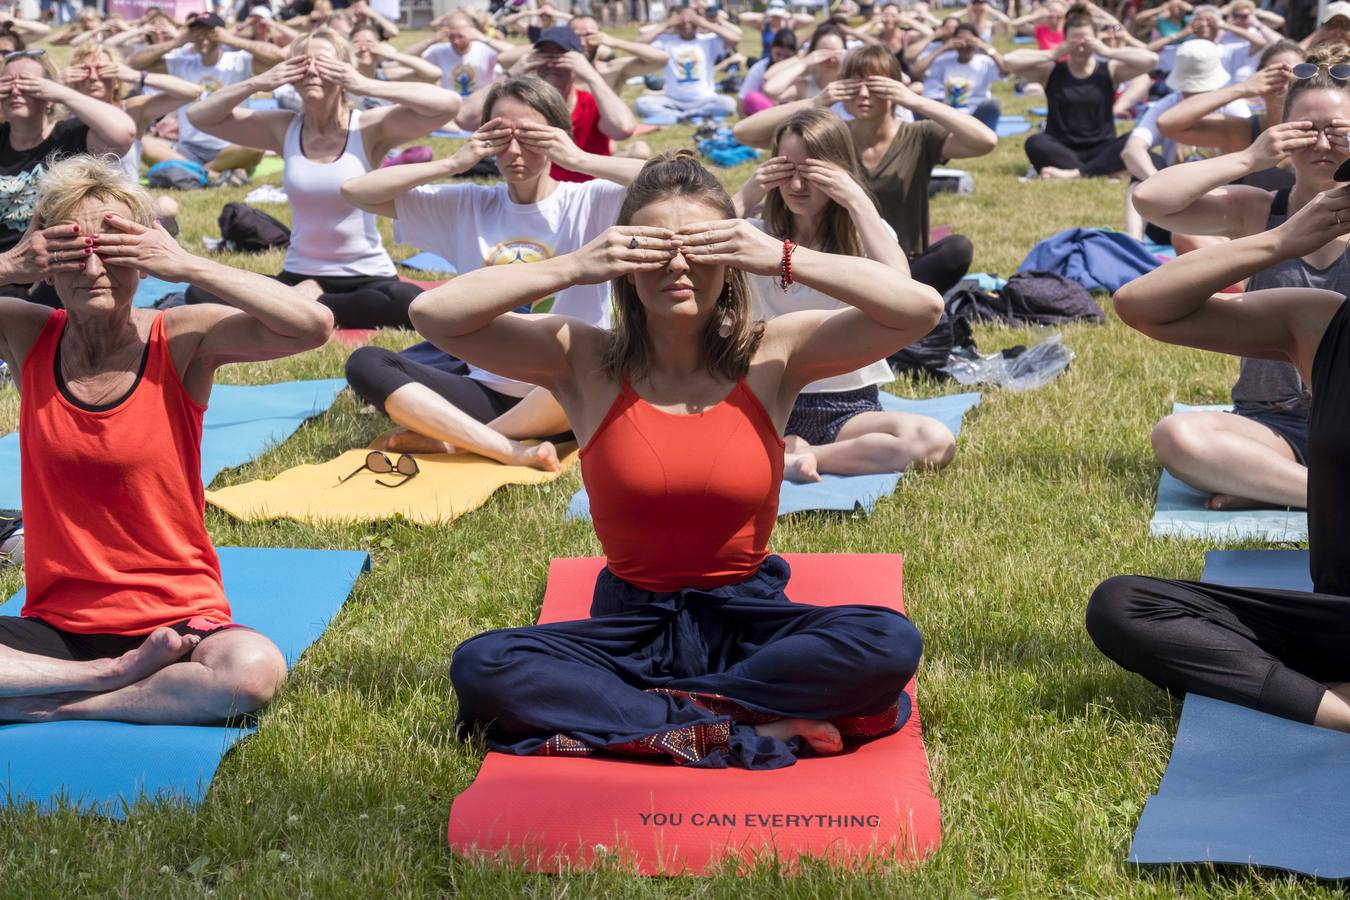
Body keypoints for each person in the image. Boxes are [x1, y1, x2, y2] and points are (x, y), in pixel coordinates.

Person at [427, 149, 940, 768]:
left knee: (887, 640)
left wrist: (777, 255)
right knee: (484, 665)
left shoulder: (774, 353)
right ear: (624, 260)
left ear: (730, 258)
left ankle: (651, 715)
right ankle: (735, 721)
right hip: (630, 628)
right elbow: (434, 315)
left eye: (699, 247)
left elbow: (920, 309)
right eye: (652, 247)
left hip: (750, 622)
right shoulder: (582, 358)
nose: (677, 264)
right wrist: (576, 264)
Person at [0, 154, 334, 724]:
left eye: (113, 249)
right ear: (47, 265)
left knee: (251, 670)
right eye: (72, 251)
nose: (93, 267)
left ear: (144, 260)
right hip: (57, 626)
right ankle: (103, 681)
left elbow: (311, 325)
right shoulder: (26, 332)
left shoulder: (181, 338)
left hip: (174, 623)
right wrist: (7, 262)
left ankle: (56, 704)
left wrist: (189, 264)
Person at [1087, 182, 1350, 733]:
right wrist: (1278, 242)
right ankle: (1337, 712)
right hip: (1338, 619)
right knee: (1124, 604)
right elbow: (1142, 306)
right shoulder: (1323, 323)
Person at [341, 75, 645, 469]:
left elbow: (680, 182)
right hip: (485, 389)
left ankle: (461, 440)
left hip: (569, 387)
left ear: (557, 135)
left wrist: (579, 159)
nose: (515, 150)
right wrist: (455, 162)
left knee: (608, 358)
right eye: (501, 136)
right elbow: (356, 192)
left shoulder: (590, 199)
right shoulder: (469, 205)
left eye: (531, 136)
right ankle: (505, 447)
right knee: (365, 363)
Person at [1128, 63, 1350, 511]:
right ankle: (1316, 493)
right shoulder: (1259, 210)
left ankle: (1271, 487)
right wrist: (1251, 158)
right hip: (1272, 425)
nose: (1323, 144)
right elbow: (1151, 200)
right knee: (1177, 436)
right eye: (1307, 131)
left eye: (1339, 131)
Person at [185, 29, 461, 330]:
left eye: (324, 63)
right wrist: (259, 82)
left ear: (344, 70)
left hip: (367, 277)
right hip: (298, 274)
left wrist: (365, 84)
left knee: (407, 302)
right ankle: (300, 303)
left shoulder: (367, 128)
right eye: (303, 63)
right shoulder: (283, 128)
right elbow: (200, 116)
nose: (313, 71)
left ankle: (305, 306)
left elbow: (448, 104)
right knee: (199, 292)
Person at [736, 109, 956, 484]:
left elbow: (906, 295)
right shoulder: (754, 235)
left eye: (812, 172)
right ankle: (777, 450)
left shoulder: (865, 234)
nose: (798, 185)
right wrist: (748, 191)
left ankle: (801, 455)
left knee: (934, 441)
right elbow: (696, 240)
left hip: (845, 406)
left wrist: (858, 200)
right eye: (786, 170)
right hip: (762, 397)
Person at [735, 46, 998, 296]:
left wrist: (915, 101)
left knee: (956, 249)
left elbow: (985, 141)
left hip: (902, 263)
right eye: (853, 84)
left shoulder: (918, 135)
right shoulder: (832, 138)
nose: (863, 94)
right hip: (842, 260)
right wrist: (818, 100)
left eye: (874, 85)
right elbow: (744, 132)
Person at [0, 50, 136, 307]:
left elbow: (124, 133)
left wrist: (62, 92)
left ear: (48, 95)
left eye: (28, 84)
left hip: (59, 268)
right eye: (7, 84)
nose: (16, 91)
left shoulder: (72, 135)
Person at [464, 25, 645, 178]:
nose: (551, 64)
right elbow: (466, 118)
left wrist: (591, 74)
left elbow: (624, 129)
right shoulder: (522, 108)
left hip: (588, 191)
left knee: (640, 150)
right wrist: (512, 72)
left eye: (560, 57)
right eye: (543, 56)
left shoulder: (590, 102)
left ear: (577, 61)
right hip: (540, 195)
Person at [128, 12, 288, 184]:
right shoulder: (182, 62)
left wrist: (232, 40)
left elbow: (278, 57)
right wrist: (177, 41)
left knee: (257, 145)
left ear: (220, 33)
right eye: (197, 32)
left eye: (209, 32)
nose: (203, 37)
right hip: (188, 148)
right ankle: (216, 174)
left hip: (231, 146)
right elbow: (135, 63)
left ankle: (202, 171)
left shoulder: (238, 60)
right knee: (142, 144)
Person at [1004, 6, 1159, 179]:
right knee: (1035, 143)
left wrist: (1108, 51)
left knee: (1134, 138)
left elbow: (1151, 60)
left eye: (1086, 41)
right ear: (1065, 41)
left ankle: (1075, 173)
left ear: (1096, 40)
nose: (1080, 47)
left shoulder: (1110, 70)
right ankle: (1104, 171)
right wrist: (1053, 53)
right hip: (1061, 147)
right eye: (1074, 41)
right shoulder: (1050, 71)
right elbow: (1008, 61)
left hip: (1103, 147)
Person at [1121, 39, 1253, 241]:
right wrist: (1160, 183)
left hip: (1221, 206)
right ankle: (1134, 244)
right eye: (1190, 90)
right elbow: (1132, 150)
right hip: (1168, 209)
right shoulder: (1167, 105)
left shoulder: (1234, 108)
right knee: (1146, 165)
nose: (1194, 96)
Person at [62, 42, 202, 230]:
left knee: (167, 206)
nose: (94, 77)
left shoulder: (132, 110)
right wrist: (59, 83)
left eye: (104, 70)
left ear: (117, 79)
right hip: (75, 207)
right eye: (85, 71)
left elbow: (192, 92)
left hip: (126, 205)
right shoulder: (60, 115)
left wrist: (136, 75)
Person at [1155, 39, 1304, 162]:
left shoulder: (1323, 129)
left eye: (1301, 72)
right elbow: (1167, 123)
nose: (1289, 81)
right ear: (1260, 80)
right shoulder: (1245, 131)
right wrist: (1242, 88)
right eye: (1277, 75)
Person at [635, 5, 742, 121]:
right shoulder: (666, 41)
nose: (687, 24)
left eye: (691, 20)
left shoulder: (708, 40)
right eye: (681, 20)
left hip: (704, 99)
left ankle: (680, 115)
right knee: (642, 103)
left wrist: (705, 23)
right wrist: (667, 24)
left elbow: (735, 39)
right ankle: (689, 115)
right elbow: (639, 45)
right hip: (673, 99)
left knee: (729, 103)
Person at [912, 21, 1009, 131]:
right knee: (918, 105)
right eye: (960, 39)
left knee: (993, 105)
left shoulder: (984, 61)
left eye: (969, 39)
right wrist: (943, 48)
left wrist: (986, 47)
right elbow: (916, 71)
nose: (964, 44)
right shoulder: (945, 61)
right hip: (949, 113)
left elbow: (1006, 70)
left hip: (976, 112)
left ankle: (984, 135)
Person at [1148, 4, 1266, 80]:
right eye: (1199, 20)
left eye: (1210, 21)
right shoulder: (1185, 50)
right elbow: (1148, 51)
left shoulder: (1227, 49)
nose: (1204, 24)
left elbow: (1260, 43)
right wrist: (1182, 33)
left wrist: (1224, 25)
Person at [406, 11, 509, 97]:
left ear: (471, 32)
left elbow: (514, 53)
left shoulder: (485, 49)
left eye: (460, 36)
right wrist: (431, 41)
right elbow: (406, 57)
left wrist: (483, 38)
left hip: (481, 103)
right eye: (451, 36)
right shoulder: (439, 51)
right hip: (451, 105)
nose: (455, 41)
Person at [565, 13, 670, 93]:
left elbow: (661, 59)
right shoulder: (556, 73)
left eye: (589, 35)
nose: (583, 43)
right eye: (576, 36)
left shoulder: (611, 70)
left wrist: (615, 42)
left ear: (601, 36)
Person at [348, 22, 443, 101]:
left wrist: (394, 55)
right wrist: (348, 56)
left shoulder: (387, 76)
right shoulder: (343, 77)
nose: (363, 48)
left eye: (369, 42)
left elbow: (435, 74)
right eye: (356, 43)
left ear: (380, 46)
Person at [762, 24, 850, 104]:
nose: (830, 59)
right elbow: (770, 89)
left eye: (837, 53)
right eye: (823, 53)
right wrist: (804, 62)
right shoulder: (805, 86)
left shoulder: (852, 84)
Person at [740, 27, 800, 116]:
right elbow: (741, 99)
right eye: (778, 54)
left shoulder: (799, 70)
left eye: (786, 57)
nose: (781, 60)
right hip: (764, 113)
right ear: (771, 48)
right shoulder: (759, 68)